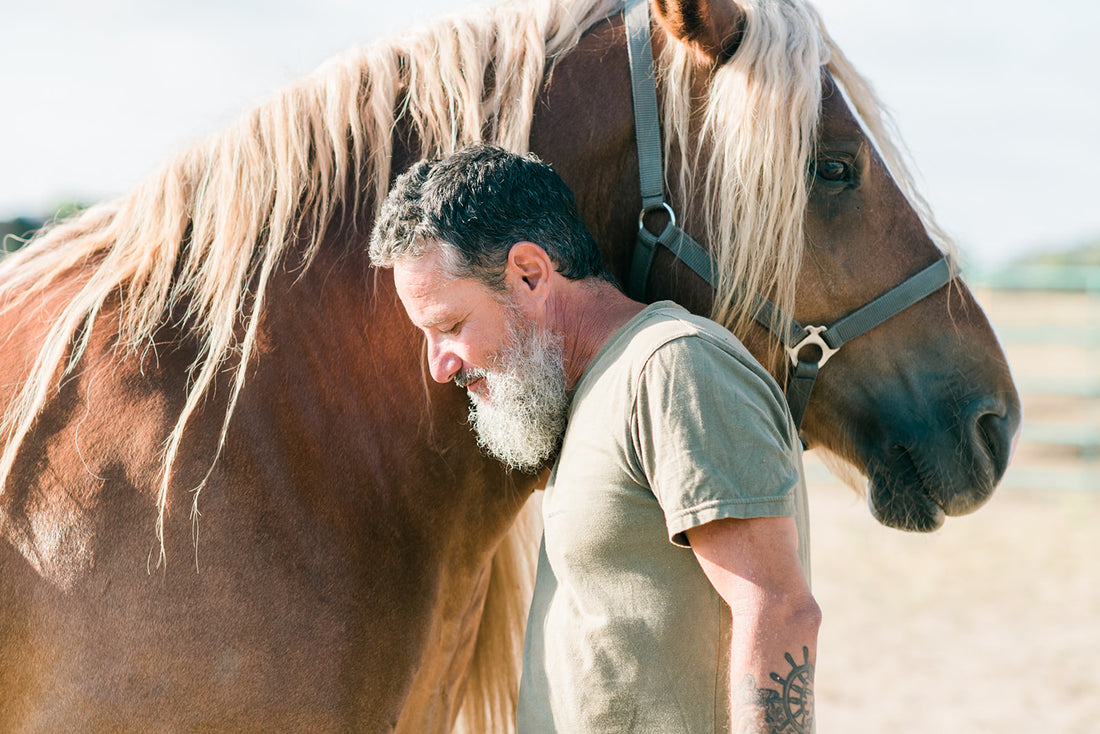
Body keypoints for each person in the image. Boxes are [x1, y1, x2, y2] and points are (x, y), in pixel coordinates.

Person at [369, 144, 819, 733]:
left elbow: (778, 610)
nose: (439, 367)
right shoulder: (589, 393)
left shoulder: (671, 367)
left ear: (529, 274)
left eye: (450, 327)